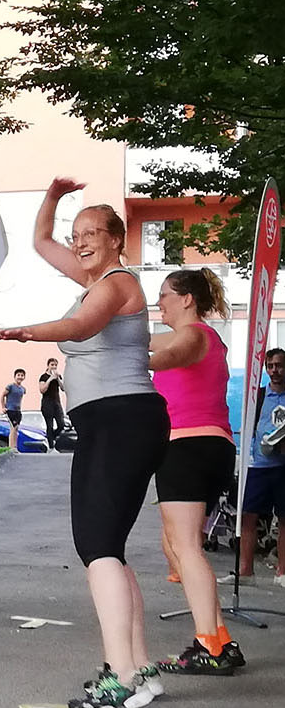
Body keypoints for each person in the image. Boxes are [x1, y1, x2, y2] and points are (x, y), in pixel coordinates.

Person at [0, 178, 170, 708]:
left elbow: (80, 326)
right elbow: (41, 242)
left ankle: (120, 677)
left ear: (117, 239)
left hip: (121, 420)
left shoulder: (116, 283)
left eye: (93, 232)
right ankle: (139, 669)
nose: (81, 241)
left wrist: (27, 332)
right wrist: (52, 196)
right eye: (78, 234)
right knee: (108, 548)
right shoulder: (93, 279)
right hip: (118, 422)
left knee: (97, 547)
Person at [147, 268, 246, 673]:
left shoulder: (195, 335)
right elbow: (143, 341)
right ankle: (220, 639)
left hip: (188, 445)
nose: (158, 302)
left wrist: (136, 362)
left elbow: (171, 354)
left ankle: (210, 646)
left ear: (187, 299)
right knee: (176, 545)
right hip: (208, 445)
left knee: (186, 547)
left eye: (164, 295)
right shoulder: (204, 338)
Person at [239, 347, 285, 586]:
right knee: (248, 516)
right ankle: (245, 571)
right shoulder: (258, 396)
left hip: (282, 467)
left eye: (279, 366)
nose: (274, 371)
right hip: (258, 465)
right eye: (270, 366)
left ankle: (282, 572)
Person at [37, 357, 66, 449]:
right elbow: (42, 390)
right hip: (47, 404)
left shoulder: (58, 376)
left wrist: (57, 379)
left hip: (57, 403)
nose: (54, 367)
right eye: (52, 365)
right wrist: (50, 379)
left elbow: (63, 388)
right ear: (48, 366)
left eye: (55, 365)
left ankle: (51, 437)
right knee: (50, 425)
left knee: (61, 424)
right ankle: (51, 446)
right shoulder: (43, 377)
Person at [2, 369, 27, 449]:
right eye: (18, 375)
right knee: (13, 428)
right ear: (15, 376)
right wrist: (3, 407)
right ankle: (11, 447)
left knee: (16, 429)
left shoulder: (23, 389)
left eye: (22, 375)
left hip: (18, 411)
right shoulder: (10, 386)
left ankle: (15, 446)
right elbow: (2, 395)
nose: (20, 377)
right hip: (10, 410)